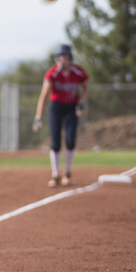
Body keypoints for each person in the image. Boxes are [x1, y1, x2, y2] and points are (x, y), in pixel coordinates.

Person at [33, 44, 89, 187]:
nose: (64, 59)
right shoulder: (52, 73)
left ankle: (67, 172)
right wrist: (38, 117)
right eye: (61, 56)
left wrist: (81, 101)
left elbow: (86, 88)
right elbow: (44, 95)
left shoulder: (78, 71)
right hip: (56, 107)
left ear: (70, 57)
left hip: (71, 107)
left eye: (66, 56)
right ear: (57, 58)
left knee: (70, 140)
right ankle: (55, 174)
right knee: (55, 142)